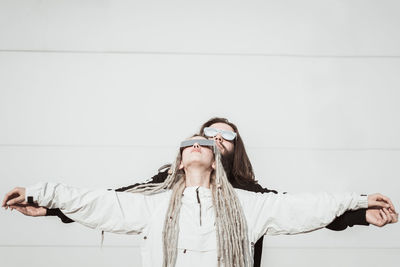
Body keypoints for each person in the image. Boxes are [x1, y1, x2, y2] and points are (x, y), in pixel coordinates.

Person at [3, 117, 398, 267]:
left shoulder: (250, 200)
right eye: (201, 136)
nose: (210, 140)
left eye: (225, 136)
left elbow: (301, 210)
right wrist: (46, 200)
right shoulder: (155, 200)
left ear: (229, 151)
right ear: (178, 160)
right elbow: (106, 202)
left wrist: (359, 206)